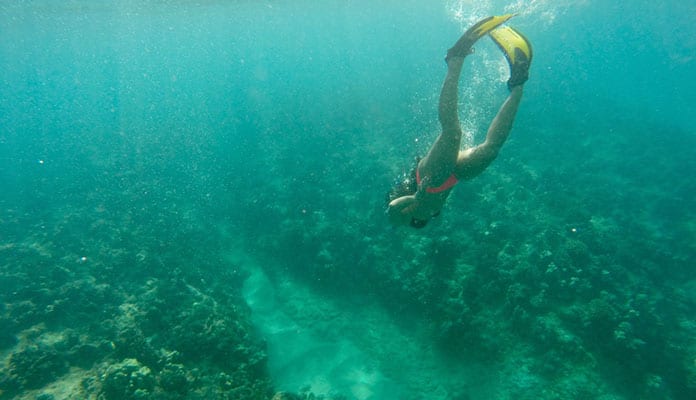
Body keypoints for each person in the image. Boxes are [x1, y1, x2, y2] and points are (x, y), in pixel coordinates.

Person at [386, 14, 533, 228]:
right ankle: (517, 87)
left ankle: (455, 60)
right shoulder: (430, 213)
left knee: (453, 132)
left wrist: (415, 198)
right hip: (453, 176)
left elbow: (391, 208)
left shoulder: (403, 217)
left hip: (428, 177)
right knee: (491, 149)